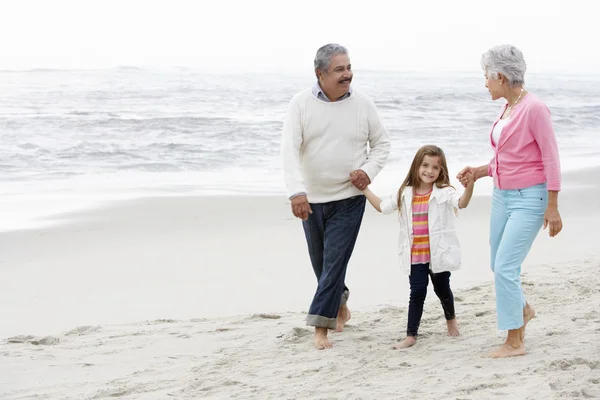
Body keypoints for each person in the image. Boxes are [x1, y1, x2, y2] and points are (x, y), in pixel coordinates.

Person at [281, 43, 390, 350]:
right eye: (340, 69)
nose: (348, 75)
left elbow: (382, 144)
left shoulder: (363, 104)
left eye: (349, 67)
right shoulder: (300, 104)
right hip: (311, 201)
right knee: (322, 264)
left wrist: (368, 171)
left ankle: (320, 328)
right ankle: (339, 301)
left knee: (333, 262)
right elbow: (288, 151)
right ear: (320, 74)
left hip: (348, 199)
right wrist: (296, 192)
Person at [457, 44, 563, 358]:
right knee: (498, 263)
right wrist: (480, 171)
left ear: (500, 76)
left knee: (505, 267)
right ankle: (523, 310)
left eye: (486, 77)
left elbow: (550, 159)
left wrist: (553, 206)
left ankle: (515, 341)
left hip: (530, 198)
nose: (485, 83)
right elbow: (512, 158)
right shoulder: (508, 107)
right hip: (503, 195)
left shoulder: (534, 108)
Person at [362, 145, 474, 349]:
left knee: (442, 289)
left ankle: (451, 319)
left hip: (437, 253)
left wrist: (470, 186)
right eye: (425, 165)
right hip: (415, 255)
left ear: (442, 171)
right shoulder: (405, 193)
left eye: (435, 168)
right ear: (416, 166)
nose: (429, 171)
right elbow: (382, 206)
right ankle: (411, 335)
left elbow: (462, 203)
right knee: (417, 292)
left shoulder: (444, 192)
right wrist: (364, 188)